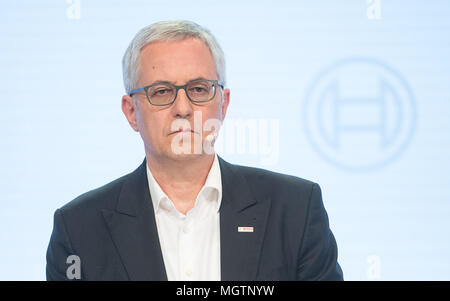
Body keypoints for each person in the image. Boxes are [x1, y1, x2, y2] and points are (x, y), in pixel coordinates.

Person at [46, 20, 343, 281]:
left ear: (223, 104)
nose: (183, 108)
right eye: (161, 91)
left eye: (199, 89)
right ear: (131, 112)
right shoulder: (79, 230)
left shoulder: (295, 210)